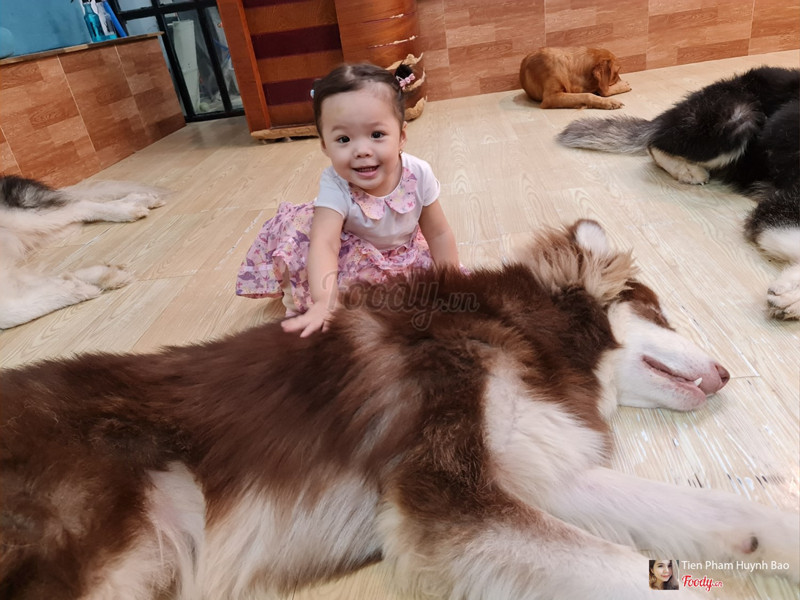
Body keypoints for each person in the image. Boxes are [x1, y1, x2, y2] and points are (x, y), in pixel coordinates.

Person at [236, 63, 460, 336]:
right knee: (339, 291)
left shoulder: (418, 173)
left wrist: (450, 283)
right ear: (324, 145)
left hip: (401, 250)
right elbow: (325, 244)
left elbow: (438, 233)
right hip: (349, 253)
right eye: (343, 139)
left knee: (424, 294)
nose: (362, 150)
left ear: (401, 137)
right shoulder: (336, 184)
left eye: (377, 135)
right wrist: (323, 302)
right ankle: (296, 294)